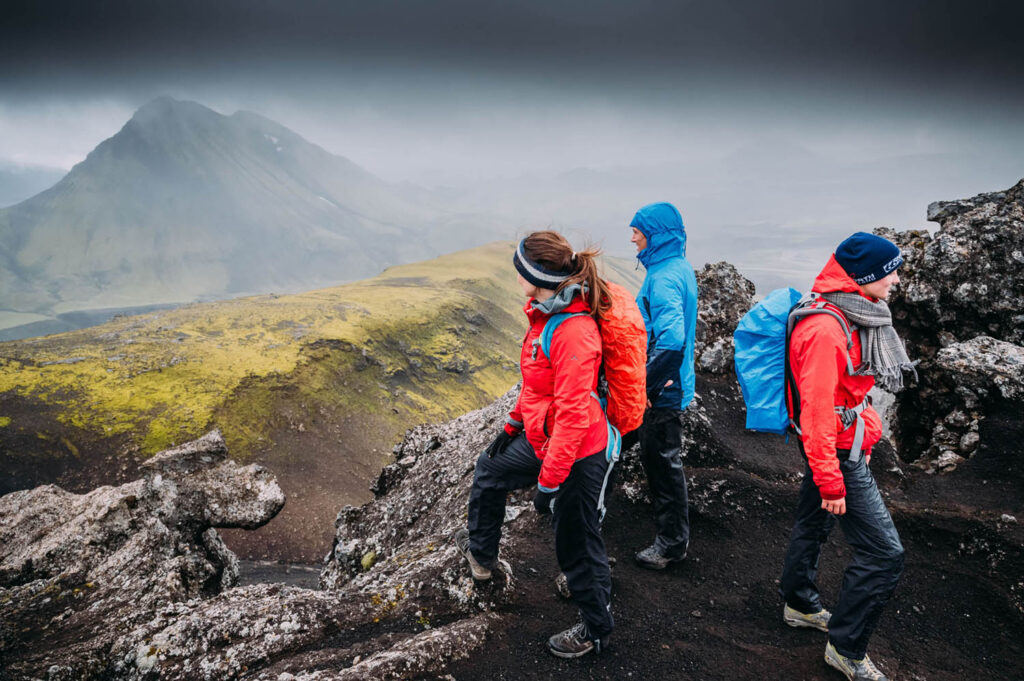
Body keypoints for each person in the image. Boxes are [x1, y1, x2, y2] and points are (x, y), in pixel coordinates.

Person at [454, 231, 615, 658]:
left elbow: (575, 415)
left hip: (578, 453)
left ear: (536, 276)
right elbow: (537, 386)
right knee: (490, 470)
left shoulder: (573, 332)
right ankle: (482, 561)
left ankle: (595, 628)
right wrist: (511, 426)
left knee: (575, 540)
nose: (515, 277)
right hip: (546, 439)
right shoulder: (545, 316)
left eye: (519, 269)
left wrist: (549, 483)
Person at [779, 232, 913, 681]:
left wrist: (864, 434)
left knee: (815, 520)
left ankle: (798, 604)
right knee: (883, 553)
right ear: (865, 276)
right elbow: (817, 413)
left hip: (841, 440)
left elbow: (844, 396)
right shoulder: (824, 329)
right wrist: (832, 478)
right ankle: (846, 649)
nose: (896, 278)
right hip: (834, 447)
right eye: (889, 270)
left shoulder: (851, 312)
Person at [629, 202, 697, 570]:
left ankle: (671, 545)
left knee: (662, 464)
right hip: (669, 383)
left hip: (663, 390)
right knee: (658, 460)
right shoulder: (674, 267)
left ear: (655, 235)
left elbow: (672, 340)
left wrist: (646, 387)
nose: (633, 238)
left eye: (637, 232)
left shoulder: (665, 277)